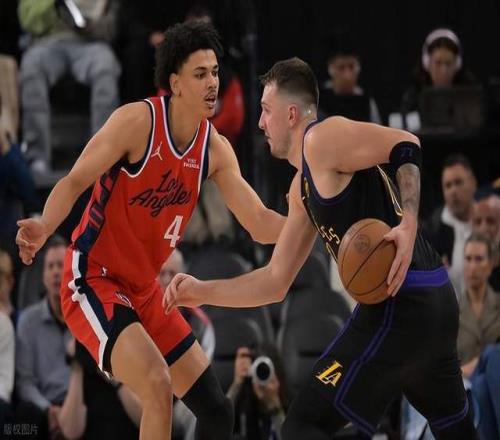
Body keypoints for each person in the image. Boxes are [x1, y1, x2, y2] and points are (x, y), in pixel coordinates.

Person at [164, 57, 477, 439]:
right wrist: (201, 291)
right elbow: (274, 282)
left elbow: (407, 144)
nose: (260, 123)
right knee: (458, 432)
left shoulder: (322, 140)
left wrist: (409, 222)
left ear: (291, 114)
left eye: (266, 110)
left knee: (302, 425)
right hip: (435, 301)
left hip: (400, 302)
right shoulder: (303, 189)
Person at [16, 21, 285, 440]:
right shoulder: (137, 122)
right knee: (157, 384)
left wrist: (315, 221)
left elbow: (260, 222)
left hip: (144, 290)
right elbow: (74, 180)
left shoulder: (214, 149)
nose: (212, 83)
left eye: (215, 72)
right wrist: (44, 224)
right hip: (93, 279)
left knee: (217, 412)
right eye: (200, 74)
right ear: (175, 83)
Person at [15, 235, 71, 439]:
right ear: (44, 276)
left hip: (80, 406)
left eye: (61, 265)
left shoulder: (86, 318)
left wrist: (71, 413)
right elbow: (24, 382)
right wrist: (48, 410)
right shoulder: (28, 322)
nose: (56, 272)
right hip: (42, 410)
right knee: (22, 420)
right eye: (50, 266)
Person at [423, 154, 477, 295]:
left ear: (473, 183)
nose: (453, 191)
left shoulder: (490, 221)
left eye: (458, 182)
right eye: (448, 186)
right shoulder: (431, 233)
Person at [228, 346, 288, 440]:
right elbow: (216, 429)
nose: (262, 376)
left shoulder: (290, 407)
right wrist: (236, 385)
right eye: (258, 370)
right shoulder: (242, 403)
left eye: (266, 371)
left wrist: (275, 406)